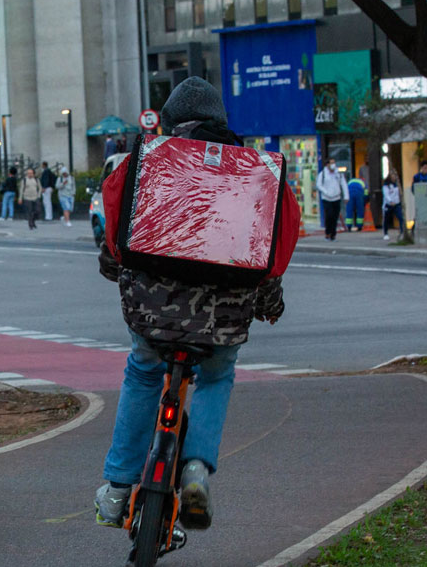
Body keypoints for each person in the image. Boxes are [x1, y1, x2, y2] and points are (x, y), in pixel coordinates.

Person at [93, 77, 287, 531]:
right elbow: (267, 255)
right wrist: (269, 304)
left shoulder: (150, 160)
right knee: (217, 376)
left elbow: (116, 241)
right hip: (223, 320)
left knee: (143, 373)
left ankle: (118, 488)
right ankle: (196, 468)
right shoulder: (253, 171)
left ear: (171, 121)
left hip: (152, 314)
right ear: (221, 120)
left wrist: (114, 268)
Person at [316, 157, 349, 241]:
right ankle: (328, 232)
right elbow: (319, 185)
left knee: (335, 216)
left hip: (336, 198)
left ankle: (333, 234)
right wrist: (326, 192)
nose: (333, 165)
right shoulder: (323, 174)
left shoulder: (338, 174)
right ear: (327, 164)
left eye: (334, 162)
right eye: (331, 163)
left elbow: (343, 185)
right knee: (329, 215)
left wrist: (346, 196)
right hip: (327, 198)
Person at [382, 172, 404, 241]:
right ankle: (385, 233)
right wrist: (390, 201)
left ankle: (402, 232)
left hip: (396, 204)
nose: (394, 177)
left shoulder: (397, 185)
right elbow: (386, 195)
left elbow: (399, 194)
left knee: (401, 218)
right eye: (393, 175)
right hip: (389, 205)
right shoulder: (386, 185)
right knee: (386, 219)